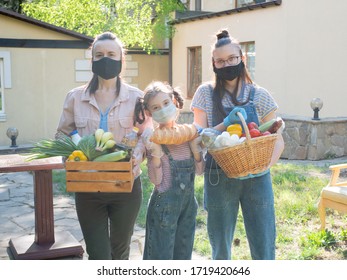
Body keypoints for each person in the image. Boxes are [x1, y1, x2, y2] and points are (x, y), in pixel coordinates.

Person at [191, 29, 285, 260]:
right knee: (220, 247)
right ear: (213, 64)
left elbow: (278, 140)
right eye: (220, 61)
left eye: (232, 59)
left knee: (264, 244)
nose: (227, 65)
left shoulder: (260, 95)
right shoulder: (204, 94)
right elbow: (200, 136)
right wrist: (225, 124)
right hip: (218, 175)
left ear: (242, 59)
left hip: (257, 177)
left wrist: (261, 167)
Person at [56, 32, 150, 260]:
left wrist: (138, 154)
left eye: (111, 54)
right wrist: (69, 157)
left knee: (120, 252)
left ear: (121, 60)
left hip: (126, 187)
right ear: (92, 60)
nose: (105, 59)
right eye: (99, 55)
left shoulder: (138, 98)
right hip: (88, 189)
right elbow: (62, 134)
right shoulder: (75, 97)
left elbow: (146, 135)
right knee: (98, 253)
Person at [134, 81, 204, 259]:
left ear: (174, 101)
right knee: (161, 258)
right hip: (164, 208)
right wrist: (156, 155)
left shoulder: (187, 134)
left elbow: (199, 171)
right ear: (150, 113)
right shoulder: (153, 138)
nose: (163, 110)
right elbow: (157, 181)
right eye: (156, 107)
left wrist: (196, 151)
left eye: (166, 103)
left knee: (183, 255)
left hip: (188, 207)